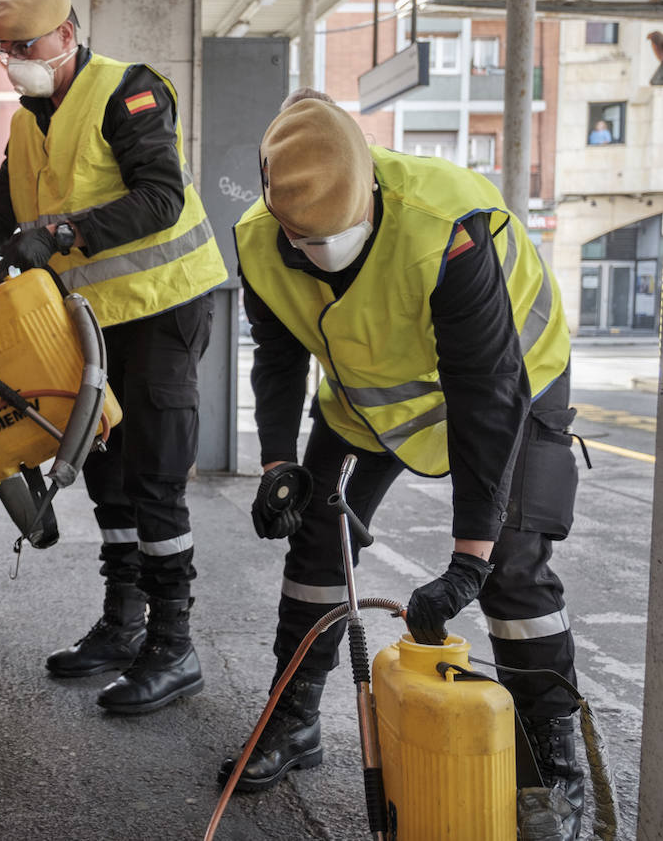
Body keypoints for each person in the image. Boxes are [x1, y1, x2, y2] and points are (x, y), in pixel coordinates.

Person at [222, 92, 585, 840]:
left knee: (514, 568)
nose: (320, 248)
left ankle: (552, 773)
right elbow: (280, 356)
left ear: (369, 188)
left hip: (518, 385)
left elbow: (486, 393)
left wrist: (468, 560)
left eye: (341, 231)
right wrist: (278, 463)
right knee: (317, 546)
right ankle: (293, 722)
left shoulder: (445, 227)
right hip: (369, 404)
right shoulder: (258, 242)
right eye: (302, 235)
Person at [0, 0, 229, 714]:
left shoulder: (127, 93)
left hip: (164, 309)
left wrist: (65, 233)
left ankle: (175, 646)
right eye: (4, 51)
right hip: (91, 323)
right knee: (103, 468)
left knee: (155, 475)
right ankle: (124, 625)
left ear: (67, 36)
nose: (13, 62)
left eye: (26, 47)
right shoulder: (26, 121)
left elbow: (162, 194)